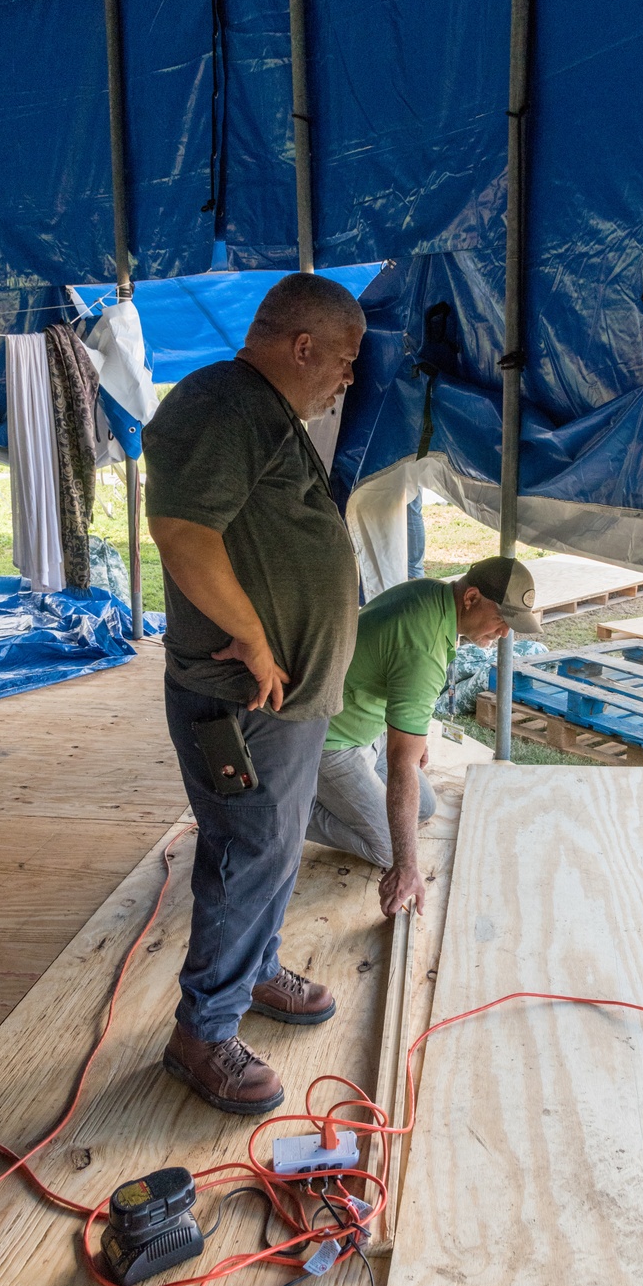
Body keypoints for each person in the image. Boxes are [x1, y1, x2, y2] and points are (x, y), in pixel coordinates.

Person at [143, 273, 364, 1116]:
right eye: (341, 359)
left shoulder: (261, 412)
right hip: (243, 695)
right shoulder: (222, 403)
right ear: (301, 345)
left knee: (274, 845)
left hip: (284, 700)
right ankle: (204, 1031)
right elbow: (183, 534)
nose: (346, 377)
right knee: (246, 854)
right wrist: (255, 634)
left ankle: (257, 967)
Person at [306, 557, 542, 918]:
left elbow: (400, 678)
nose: (504, 634)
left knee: (425, 808)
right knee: (389, 849)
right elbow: (402, 762)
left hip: (369, 724)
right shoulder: (421, 646)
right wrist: (406, 867)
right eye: (501, 619)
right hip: (332, 740)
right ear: (472, 597)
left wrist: (410, 730)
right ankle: (290, 805)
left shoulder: (432, 593)